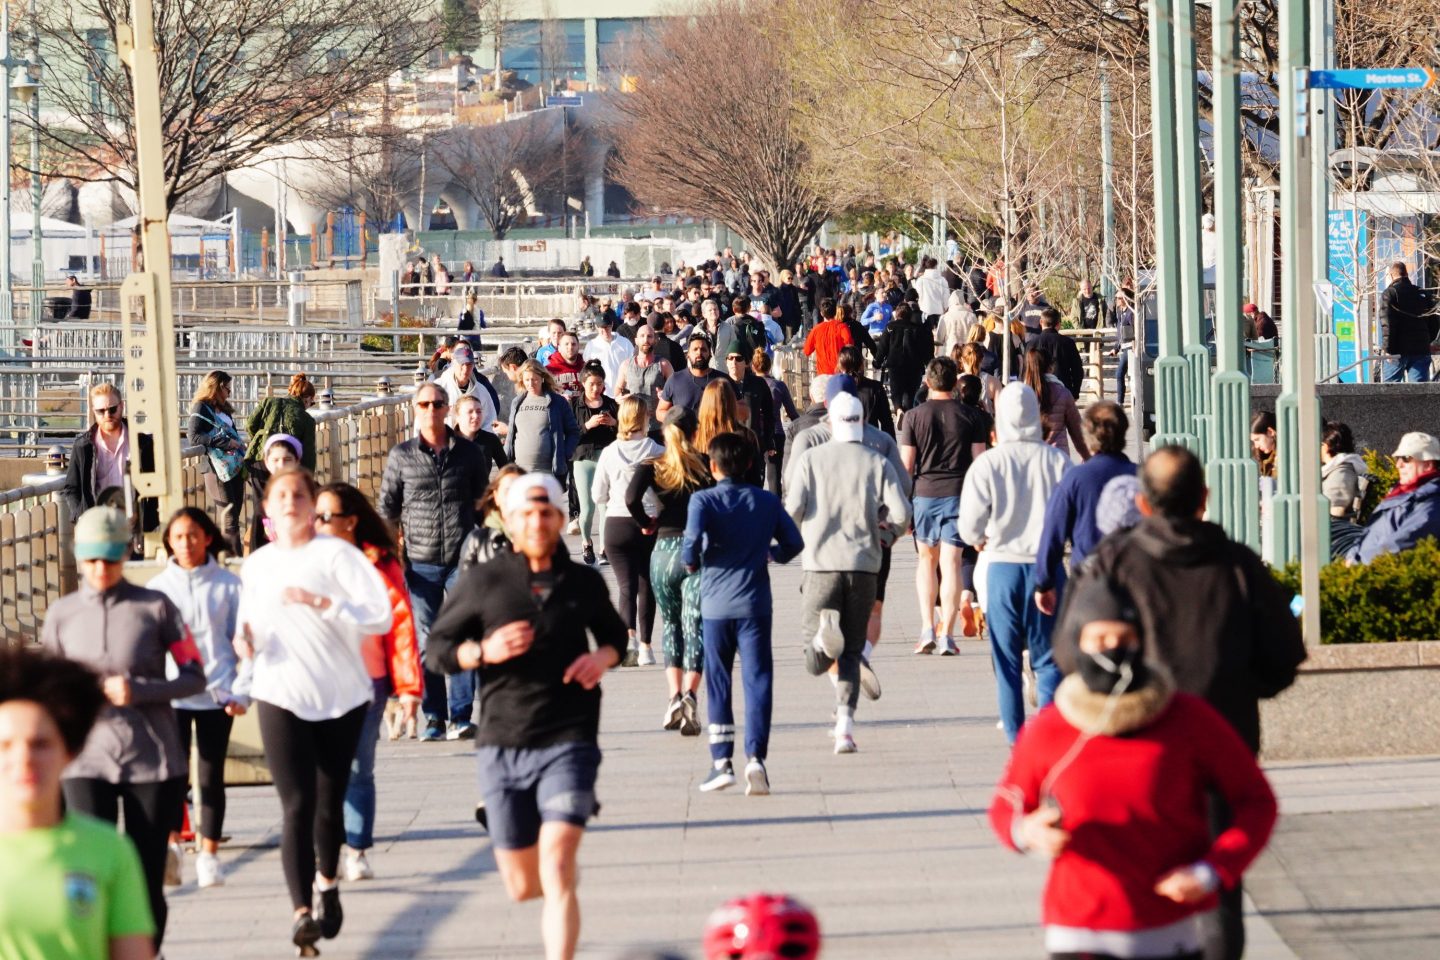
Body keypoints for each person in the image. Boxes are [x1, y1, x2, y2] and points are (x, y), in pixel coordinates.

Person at [1052, 445, 1306, 960]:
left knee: (1127, 882)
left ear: (1144, 504)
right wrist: (1234, 687)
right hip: (1223, 746)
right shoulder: (1238, 566)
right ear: (1203, 499)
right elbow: (1282, 656)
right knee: (1216, 886)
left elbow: (1068, 653)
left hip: (1130, 752)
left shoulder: (1111, 563)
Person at [991, 576, 1278, 960]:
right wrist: (1024, 831)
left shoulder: (1189, 719)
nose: (1112, 652)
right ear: (1078, 644)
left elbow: (1256, 801)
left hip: (1170, 929)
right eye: (1100, 641)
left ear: (1144, 642)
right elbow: (1006, 803)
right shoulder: (1053, 727)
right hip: (1077, 931)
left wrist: (1214, 870)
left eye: (1125, 640)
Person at [425, 473, 625, 960]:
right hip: (503, 739)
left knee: (556, 865)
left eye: (546, 512)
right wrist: (481, 651)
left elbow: (615, 636)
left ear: (560, 518)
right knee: (521, 886)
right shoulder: (484, 580)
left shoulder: (582, 581)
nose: (536, 521)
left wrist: (601, 659)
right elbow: (437, 649)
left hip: (569, 734)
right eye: (526, 514)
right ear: (509, 522)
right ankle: (557, 876)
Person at [235, 468, 393, 955]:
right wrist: (245, 644)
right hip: (279, 692)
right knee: (296, 807)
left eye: (297, 494)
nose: (288, 502)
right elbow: (250, 625)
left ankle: (327, 882)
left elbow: (380, 614)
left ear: (310, 504)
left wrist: (323, 602)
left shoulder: (337, 555)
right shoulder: (256, 565)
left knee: (329, 802)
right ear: (268, 510)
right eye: (279, 495)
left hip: (341, 695)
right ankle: (301, 914)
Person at [41, 506, 207, 950]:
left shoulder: (156, 606)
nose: (101, 570)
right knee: (87, 871)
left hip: (152, 760)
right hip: (85, 760)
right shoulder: (60, 615)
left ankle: (146, 952)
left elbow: (195, 676)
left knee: (145, 873)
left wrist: (140, 690)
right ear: (79, 557)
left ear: (125, 555)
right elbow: (45, 692)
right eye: (92, 560)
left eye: (110, 559)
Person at [0, 647, 156, 960]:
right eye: (5, 745)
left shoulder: (110, 850)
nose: (24, 760)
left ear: (69, 751)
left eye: (40, 745)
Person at [785, 393, 910, 754]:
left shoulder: (811, 460)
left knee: (815, 658)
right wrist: (886, 535)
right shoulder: (877, 461)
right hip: (864, 564)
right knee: (854, 652)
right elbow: (902, 512)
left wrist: (796, 538)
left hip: (821, 562)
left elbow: (792, 508)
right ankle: (845, 727)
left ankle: (825, 641)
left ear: (831, 422)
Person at [308, 483, 420, 883]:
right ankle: (326, 847)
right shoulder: (303, 561)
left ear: (350, 522)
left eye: (325, 517)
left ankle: (356, 849)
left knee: (358, 767)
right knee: (318, 770)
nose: (316, 524)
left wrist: (408, 688)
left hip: (367, 682)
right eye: (314, 516)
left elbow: (401, 625)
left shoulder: (377, 563)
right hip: (316, 680)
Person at [683, 433, 803, 795]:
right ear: (750, 463)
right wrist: (772, 555)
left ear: (713, 466)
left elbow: (690, 553)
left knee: (719, 680)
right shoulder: (765, 500)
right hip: (754, 604)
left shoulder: (702, 501)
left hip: (716, 605)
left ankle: (721, 761)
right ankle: (756, 758)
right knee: (758, 679)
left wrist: (695, 561)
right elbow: (794, 543)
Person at [958, 383, 1071, 744]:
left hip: (1003, 567)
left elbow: (969, 526)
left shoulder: (988, 463)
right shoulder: (1057, 461)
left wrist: (980, 538)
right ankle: (1052, 740)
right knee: (1050, 660)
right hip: (1047, 568)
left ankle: (1016, 742)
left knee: (1006, 662)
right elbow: (1070, 518)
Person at [379, 383, 490, 742]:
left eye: (437, 403)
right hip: (420, 560)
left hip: (462, 557)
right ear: (415, 408)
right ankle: (433, 716)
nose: (430, 409)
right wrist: (386, 556)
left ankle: (461, 716)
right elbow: (388, 509)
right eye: (424, 404)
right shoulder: (402, 456)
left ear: (447, 409)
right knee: (428, 639)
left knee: (460, 635)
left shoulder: (470, 454)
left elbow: (482, 503)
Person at [150, 507, 248, 891]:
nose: (186, 543)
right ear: (169, 543)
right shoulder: (158, 589)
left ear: (207, 537)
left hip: (217, 693)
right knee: (173, 775)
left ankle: (209, 854)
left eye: (193, 535)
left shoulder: (229, 585)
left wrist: (241, 691)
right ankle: (173, 845)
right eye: (178, 537)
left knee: (210, 776)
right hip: (172, 696)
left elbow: (243, 643)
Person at [899, 358, 991, 655]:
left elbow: (907, 466)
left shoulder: (913, 417)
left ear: (927, 382)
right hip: (959, 494)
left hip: (924, 494)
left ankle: (928, 626)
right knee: (952, 563)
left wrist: (903, 504)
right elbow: (979, 463)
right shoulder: (971, 417)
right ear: (955, 383)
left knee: (927, 561)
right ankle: (947, 635)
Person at [629, 411, 712, 735]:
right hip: (696, 552)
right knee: (696, 628)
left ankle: (674, 696)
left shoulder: (654, 466)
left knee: (672, 626)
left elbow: (630, 497)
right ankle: (692, 692)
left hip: (663, 551)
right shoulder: (704, 464)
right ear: (694, 432)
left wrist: (646, 522)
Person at [1033, 401, 1137, 615]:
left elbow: (1053, 533)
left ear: (1088, 435)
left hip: (1089, 578)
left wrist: (1044, 581)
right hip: (1135, 577)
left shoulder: (1075, 479)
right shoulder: (1142, 477)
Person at [594, 397, 665, 665]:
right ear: (644, 418)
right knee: (647, 584)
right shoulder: (657, 451)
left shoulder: (610, 452)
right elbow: (665, 492)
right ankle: (647, 647)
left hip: (616, 523)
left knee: (626, 586)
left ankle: (629, 640)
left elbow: (597, 493)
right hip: (648, 520)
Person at [63, 384, 156, 548]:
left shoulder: (142, 443)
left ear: (122, 406)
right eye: (101, 411)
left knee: (134, 573)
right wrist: (82, 517)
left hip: (134, 532)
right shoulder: (83, 446)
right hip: (98, 532)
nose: (107, 415)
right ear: (94, 411)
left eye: (112, 409)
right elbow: (71, 488)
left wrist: (146, 520)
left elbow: (155, 483)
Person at [245, 373, 318, 551]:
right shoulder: (307, 419)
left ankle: (259, 545)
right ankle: (279, 540)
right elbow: (308, 454)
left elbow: (249, 425)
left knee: (261, 505)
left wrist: (262, 441)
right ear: (307, 399)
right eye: (312, 402)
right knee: (283, 502)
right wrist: (306, 479)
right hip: (287, 467)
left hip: (258, 461)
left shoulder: (269, 402)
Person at [1347, 431, 1440, 564]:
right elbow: (1369, 532)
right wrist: (1352, 554)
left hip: (1378, 574)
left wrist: (1358, 562)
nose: (1398, 465)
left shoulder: (1433, 502)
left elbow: (1402, 544)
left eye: (1406, 458)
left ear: (1428, 464)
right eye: (1398, 459)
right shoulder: (1402, 493)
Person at [187, 370, 247, 557]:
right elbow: (194, 437)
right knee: (229, 517)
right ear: (218, 387)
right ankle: (233, 560)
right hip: (216, 468)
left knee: (234, 515)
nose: (229, 393)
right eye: (228, 389)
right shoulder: (201, 407)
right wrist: (226, 442)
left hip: (234, 465)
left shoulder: (224, 407)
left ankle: (229, 556)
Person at [571, 364, 620, 565]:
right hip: (583, 458)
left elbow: (623, 430)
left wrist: (613, 423)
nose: (595, 388)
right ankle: (586, 542)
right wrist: (587, 426)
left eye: (599, 384)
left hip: (606, 457)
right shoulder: (575, 405)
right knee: (587, 508)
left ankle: (604, 548)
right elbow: (571, 433)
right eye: (591, 384)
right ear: (583, 384)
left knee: (605, 507)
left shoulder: (610, 404)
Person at [505, 361, 581, 487]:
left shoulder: (558, 402)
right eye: (527, 379)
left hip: (547, 472)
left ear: (542, 378)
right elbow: (512, 434)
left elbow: (573, 432)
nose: (530, 383)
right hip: (519, 471)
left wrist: (563, 455)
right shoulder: (517, 402)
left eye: (534, 379)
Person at [1023, 348, 1089, 460]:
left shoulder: (1022, 394)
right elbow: (1077, 431)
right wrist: (1087, 457)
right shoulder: (1063, 393)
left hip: (1029, 458)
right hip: (1058, 456)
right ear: (1051, 367)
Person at [696, 380, 764, 488]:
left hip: (704, 499)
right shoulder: (746, 436)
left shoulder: (695, 436)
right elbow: (755, 478)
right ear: (732, 403)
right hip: (741, 498)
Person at [1379, 261, 1437, 382]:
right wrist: (1427, 340)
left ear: (1390, 276)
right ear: (1406, 274)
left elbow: (1387, 324)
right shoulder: (1422, 293)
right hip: (1420, 348)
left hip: (1396, 350)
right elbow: (1434, 321)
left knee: (1390, 390)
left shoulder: (1390, 293)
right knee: (1419, 392)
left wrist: (1387, 349)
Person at [752, 349, 799, 494]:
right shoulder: (778, 386)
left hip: (756, 434)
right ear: (770, 365)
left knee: (755, 478)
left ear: (753, 367)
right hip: (776, 433)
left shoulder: (750, 385)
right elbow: (792, 413)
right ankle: (775, 511)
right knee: (774, 478)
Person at [722, 346, 776, 460]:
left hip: (752, 447)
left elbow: (769, 414)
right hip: (727, 448)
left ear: (746, 362)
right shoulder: (720, 384)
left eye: (738, 358)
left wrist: (768, 441)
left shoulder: (758, 384)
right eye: (730, 358)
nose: (734, 362)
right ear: (726, 362)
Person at [876, 303, 932, 413]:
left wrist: (877, 362)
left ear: (897, 314)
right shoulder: (918, 329)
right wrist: (928, 363)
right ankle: (907, 414)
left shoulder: (890, 327)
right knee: (910, 394)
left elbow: (882, 347)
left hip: (895, 364)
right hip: (914, 366)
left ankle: (898, 409)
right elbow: (924, 349)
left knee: (896, 391)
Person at [617, 323, 673, 431]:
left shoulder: (664, 364)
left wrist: (666, 395)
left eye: (649, 336)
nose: (646, 340)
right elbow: (618, 389)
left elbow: (676, 391)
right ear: (636, 340)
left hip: (658, 427)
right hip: (633, 425)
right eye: (642, 336)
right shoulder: (626, 365)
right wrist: (619, 398)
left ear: (655, 340)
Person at [835, 344, 895, 437]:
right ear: (861, 365)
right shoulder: (876, 388)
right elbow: (887, 424)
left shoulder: (835, 389)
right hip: (871, 444)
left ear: (840, 366)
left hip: (844, 446)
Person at [1035, 307, 1085, 399]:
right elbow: (1077, 370)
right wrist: (1075, 393)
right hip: (1064, 391)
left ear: (1041, 322)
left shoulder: (1032, 343)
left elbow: (1026, 371)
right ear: (1058, 324)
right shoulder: (1068, 343)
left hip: (1038, 392)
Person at [583, 313, 636, 398]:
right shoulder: (591, 345)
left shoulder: (625, 343)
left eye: (607, 327)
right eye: (602, 328)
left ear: (612, 325)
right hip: (602, 394)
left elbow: (633, 366)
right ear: (597, 327)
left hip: (623, 393)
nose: (605, 331)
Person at [802, 298, 854, 375]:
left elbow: (807, 351)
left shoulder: (816, 330)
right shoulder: (842, 327)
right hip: (840, 373)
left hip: (823, 375)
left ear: (821, 313)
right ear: (835, 312)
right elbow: (850, 346)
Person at [545, 332, 587, 399]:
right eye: (566, 344)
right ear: (559, 347)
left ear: (578, 346)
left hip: (581, 407)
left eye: (573, 344)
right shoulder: (548, 370)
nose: (570, 347)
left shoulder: (586, 368)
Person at [1114, 287, 1137, 404]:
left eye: (1119, 298)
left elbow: (1134, 331)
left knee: (1119, 373)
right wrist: (1116, 348)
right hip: (1123, 347)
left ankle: (1120, 402)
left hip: (1130, 347)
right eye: (1116, 297)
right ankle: (1126, 400)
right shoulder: (1119, 312)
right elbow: (1119, 332)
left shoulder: (1131, 312)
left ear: (1125, 299)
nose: (1117, 300)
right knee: (1129, 375)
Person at [936, 290, 975, 357]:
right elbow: (975, 335)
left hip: (950, 353)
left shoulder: (945, 317)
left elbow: (939, 338)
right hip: (968, 353)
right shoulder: (971, 316)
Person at [914, 256, 950, 327]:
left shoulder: (921, 280)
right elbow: (946, 296)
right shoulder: (942, 280)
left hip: (925, 309)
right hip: (939, 310)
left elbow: (918, 294)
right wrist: (946, 307)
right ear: (936, 266)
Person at [1250, 410, 1277, 479]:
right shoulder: (1268, 459)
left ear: (1270, 432)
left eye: (1257, 439)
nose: (1256, 446)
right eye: (1254, 441)